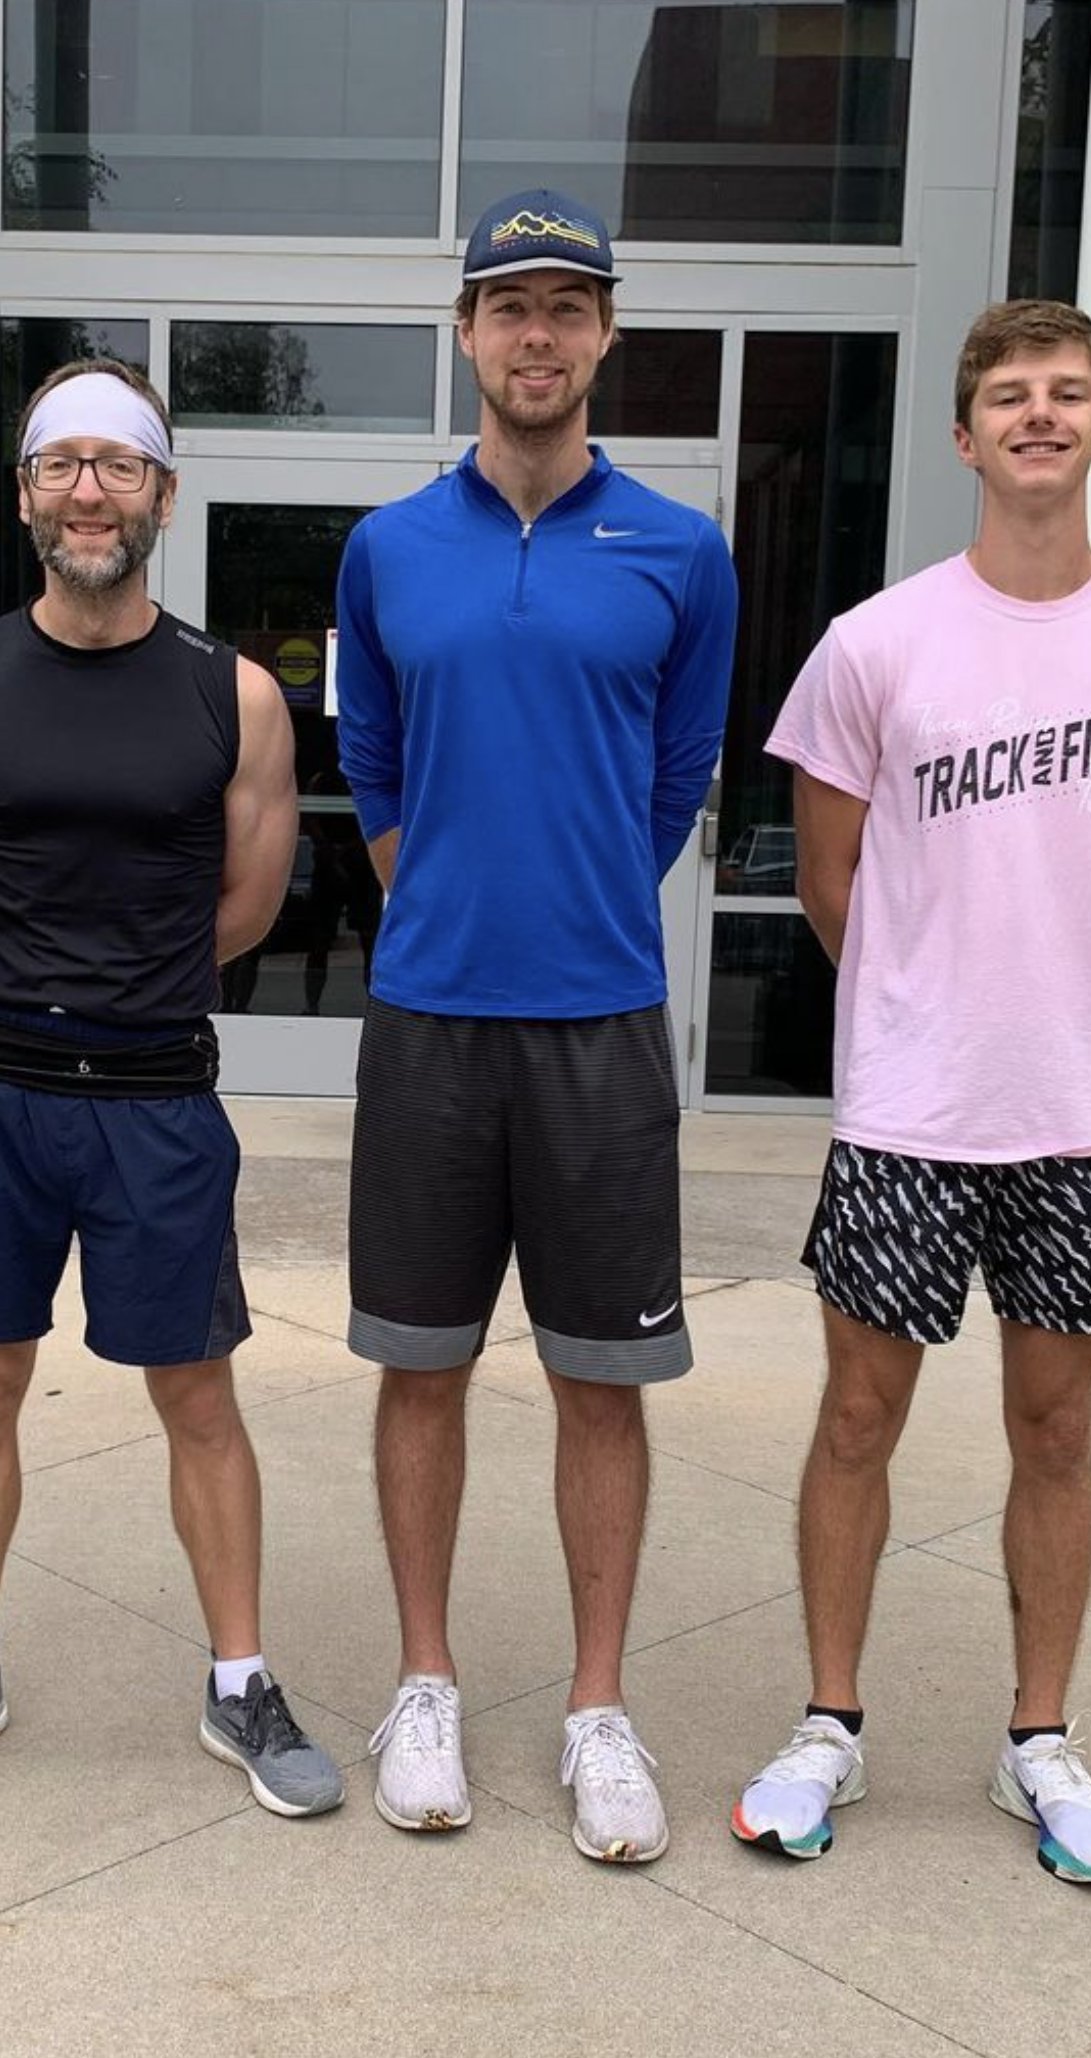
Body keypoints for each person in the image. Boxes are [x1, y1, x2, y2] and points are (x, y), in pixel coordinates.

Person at [730, 300, 1091, 1885]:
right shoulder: (874, 645)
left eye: (1067, 394)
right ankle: (828, 1722)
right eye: (1008, 396)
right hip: (908, 1108)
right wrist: (935, 995)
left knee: (1055, 1428)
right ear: (962, 437)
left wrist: (1033, 983)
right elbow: (833, 890)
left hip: (1084, 1109)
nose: (1038, 415)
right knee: (855, 1419)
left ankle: (1039, 1740)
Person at [0, 360, 343, 1819]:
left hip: (153, 1100)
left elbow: (246, 906)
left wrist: (125, 984)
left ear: (161, 495)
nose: (89, 490)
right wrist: (40, 986)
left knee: (195, 1396)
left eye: (118, 466)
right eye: (61, 465)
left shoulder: (237, 693)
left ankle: (239, 1680)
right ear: (25, 494)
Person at [334, 190, 737, 1864]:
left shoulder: (678, 547)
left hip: (599, 1026)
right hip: (427, 1023)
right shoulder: (385, 547)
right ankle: (423, 1679)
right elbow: (367, 762)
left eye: (568, 306)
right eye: (509, 306)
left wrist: (567, 895)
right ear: (466, 334)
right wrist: (444, 897)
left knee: (600, 1380)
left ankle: (593, 1704)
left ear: (605, 335)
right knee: (420, 1371)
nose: (537, 334)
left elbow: (677, 776)